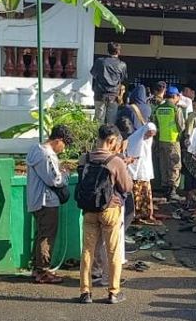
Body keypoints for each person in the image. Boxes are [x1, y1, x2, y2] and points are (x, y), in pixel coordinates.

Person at [77, 124, 133, 305]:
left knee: (87, 250)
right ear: (111, 141)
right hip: (110, 209)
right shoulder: (115, 161)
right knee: (113, 250)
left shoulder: (84, 158)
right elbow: (126, 186)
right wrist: (123, 164)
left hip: (88, 210)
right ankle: (113, 292)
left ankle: (86, 292)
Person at [25, 124, 74, 285]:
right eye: (64, 144)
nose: (63, 149)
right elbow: (54, 180)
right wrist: (65, 175)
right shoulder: (46, 155)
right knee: (47, 236)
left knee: (41, 234)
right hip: (46, 200)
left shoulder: (35, 150)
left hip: (36, 199)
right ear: (58, 140)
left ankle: (37, 267)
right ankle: (43, 271)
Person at [153, 88, 186, 202]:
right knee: (174, 165)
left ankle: (165, 188)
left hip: (161, 140)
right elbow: (181, 126)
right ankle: (172, 191)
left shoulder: (158, 109)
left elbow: (155, 124)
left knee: (164, 164)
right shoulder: (176, 109)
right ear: (175, 96)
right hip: (173, 140)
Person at [125, 122, 159, 225]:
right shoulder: (135, 140)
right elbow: (132, 156)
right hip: (135, 171)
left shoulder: (147, 140)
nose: (149, 137)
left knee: (145, 193)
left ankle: (146, 213)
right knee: (137, 193)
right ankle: (136, 215)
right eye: (149, 134)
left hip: (144, 171)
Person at [90, 42, 127, 123]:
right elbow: (122, 79)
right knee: (111, 121)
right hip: (114, 96)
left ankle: (97, 135)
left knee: (99, 120)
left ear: (107, 51)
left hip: (100, 94)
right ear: (119, 52)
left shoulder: (100, 62)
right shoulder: (122, 65)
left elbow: (93, 74)